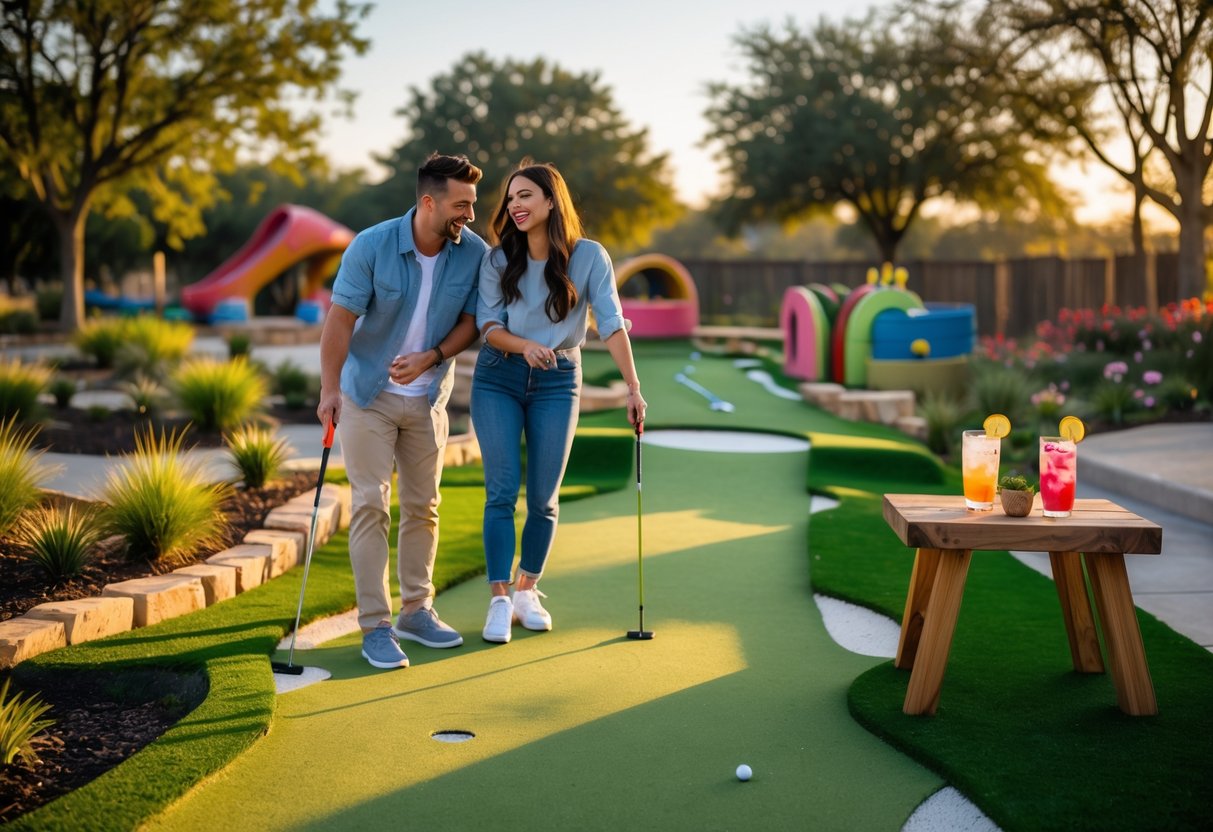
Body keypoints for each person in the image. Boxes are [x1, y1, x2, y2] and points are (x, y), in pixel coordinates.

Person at [318, 152, 489, 669]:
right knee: (371, 503)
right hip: (367, 396)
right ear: (428, 201)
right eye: (462, 204)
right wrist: (329, 390)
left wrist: (432, 357)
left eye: (474, 204)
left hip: (429, 398)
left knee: (425, 506)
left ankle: (418, 609)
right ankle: (375, 625)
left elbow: (472, 321)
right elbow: (340, 322)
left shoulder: (474, 252)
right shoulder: (372, 245)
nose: (470, 215)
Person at [472, 160, 647, 644]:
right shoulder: (495, 259)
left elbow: (610, 323)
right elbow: (488, 327)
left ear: (551, 201)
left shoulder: (590, 257)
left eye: (525, 195)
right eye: (511, 199)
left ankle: (528, 588)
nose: (515, 205)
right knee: (502, 491)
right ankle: (499, 598)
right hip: (498, 378)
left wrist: (633, 388)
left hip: (559, 379)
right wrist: (522, 345)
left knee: (545, 499)